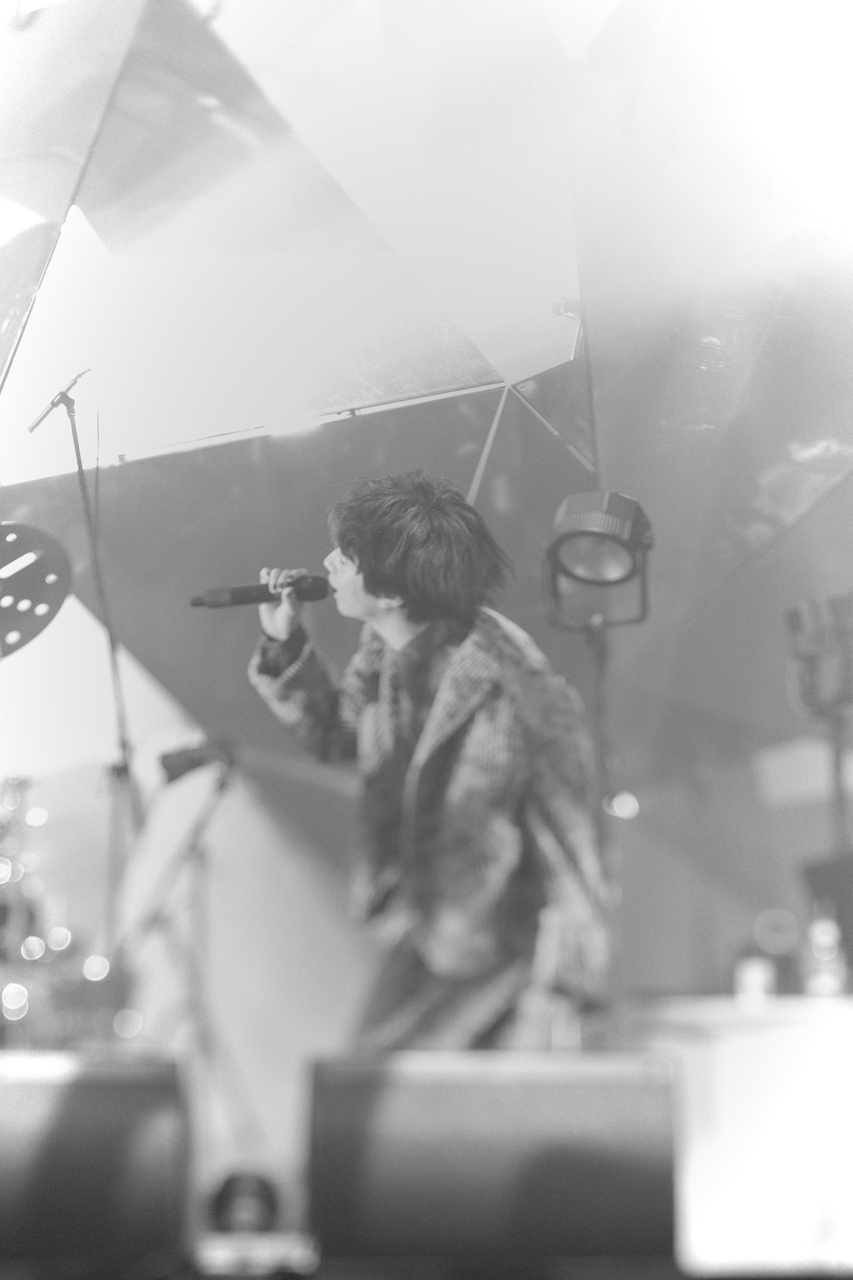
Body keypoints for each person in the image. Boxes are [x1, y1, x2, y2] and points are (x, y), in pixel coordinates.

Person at [248, 471, 613, 1051]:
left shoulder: (521, 691)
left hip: (495, 957)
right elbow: (338, 738)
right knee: (365, 1087)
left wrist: (563, 992)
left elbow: (573, 857)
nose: (329, 563)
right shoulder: (385, 651)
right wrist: (285, 643)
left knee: (389, 1091)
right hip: (417, 933)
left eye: (348, 556)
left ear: (393, 592)